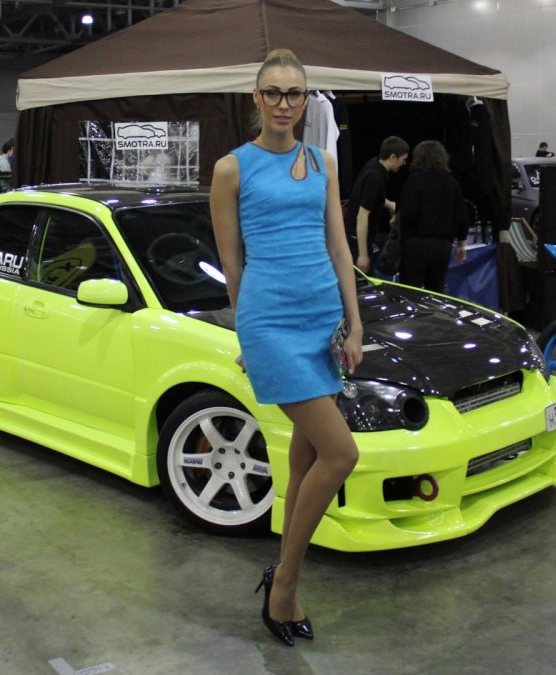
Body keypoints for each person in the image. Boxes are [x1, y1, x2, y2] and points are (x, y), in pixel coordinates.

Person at [209, 48, 362, 648]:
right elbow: (232, 263)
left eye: (293, 93)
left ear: (305, 99)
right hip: (270, 323)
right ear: (256, 98)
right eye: (272, 92)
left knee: (306, 460)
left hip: (322, 321)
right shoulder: (232, 168)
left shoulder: (323, 162)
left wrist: (355, 325)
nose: (283, 103)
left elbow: (340, 249)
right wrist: (247, 335)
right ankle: (285, 585)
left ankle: (282, 571)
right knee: (341, 454)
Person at [397, 140, 470, 293]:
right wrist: (461, 245)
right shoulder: (451, 183)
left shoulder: (414, 180)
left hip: (415, 244)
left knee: (410, 292)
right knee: (437, 291)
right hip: (441, 246)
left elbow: (407, 213)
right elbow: (462, 217)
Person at [343, 136, 408, 273]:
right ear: (392, 157)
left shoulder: (374, 164)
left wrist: (390, 204)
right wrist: (363, 255)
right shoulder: (375, 178)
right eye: (403, 159)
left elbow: (368, 197)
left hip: (356, 233)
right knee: (361, 279)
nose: (404, 163)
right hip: (357, 238)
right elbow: (362, 216)